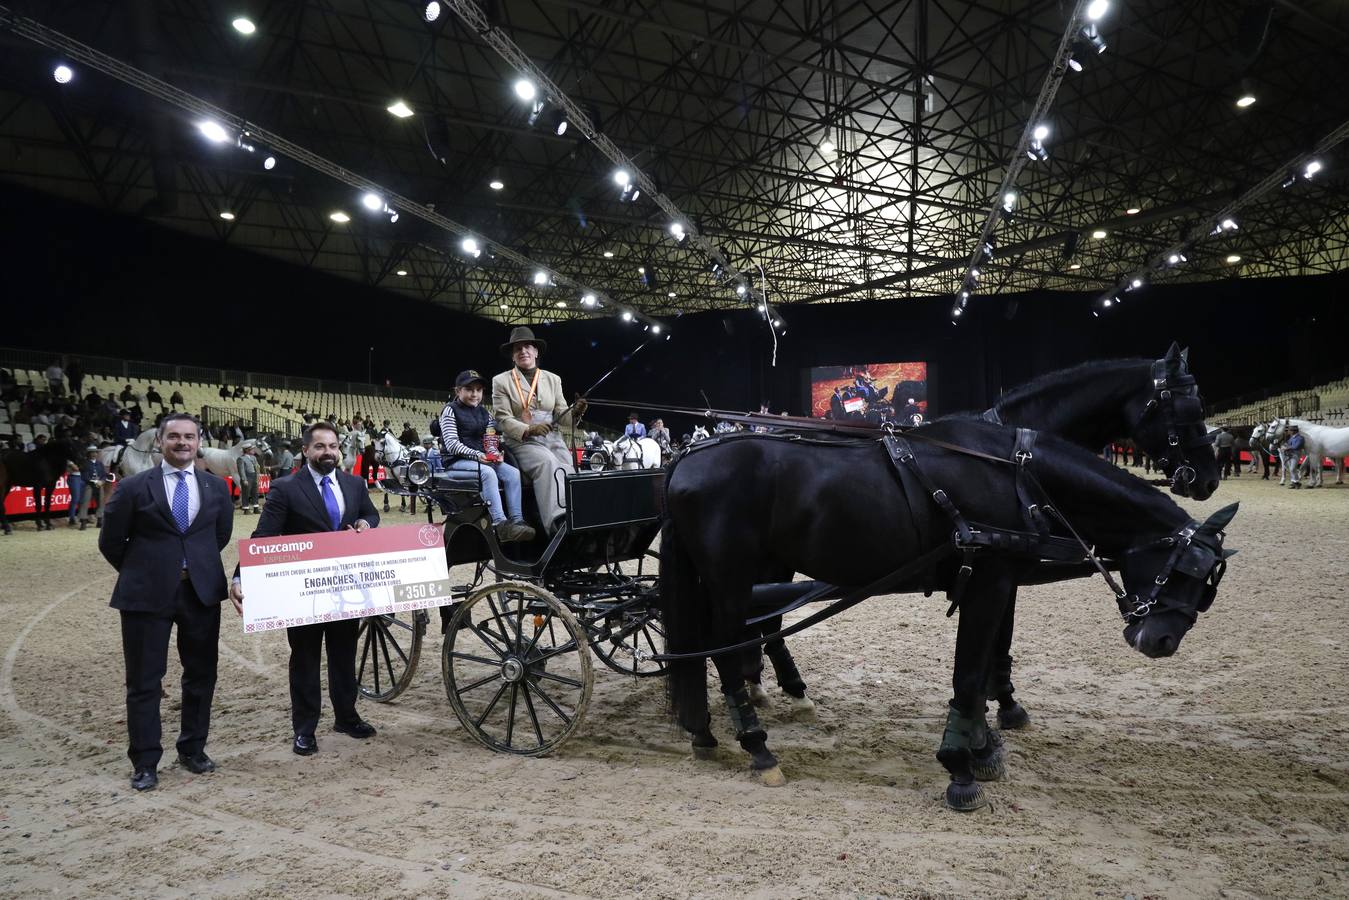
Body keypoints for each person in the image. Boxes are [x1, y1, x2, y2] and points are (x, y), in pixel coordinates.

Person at [98, 412, 234, 791]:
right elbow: (111, 543)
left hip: (200, 592)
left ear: (198, 441)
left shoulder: (216, 488)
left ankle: (192, 749)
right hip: (145, 595)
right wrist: (146, 571)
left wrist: (194, 567)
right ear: (160, 441)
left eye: (189, 437)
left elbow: (217, 537)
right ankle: (145, 761)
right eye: (174, 436)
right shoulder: (133, 487)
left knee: (201, 676)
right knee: (144, 681)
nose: (182, 443)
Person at [229, 421, 380, 756]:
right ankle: (305, 729)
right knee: (305, 659)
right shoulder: (286, 488)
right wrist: (241, 576)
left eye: (333, 446)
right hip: (303, 590)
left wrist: (364, 523)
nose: (328, 452)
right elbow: (264, 536)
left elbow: (371, 515)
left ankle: (347, 717)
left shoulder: (354, 484)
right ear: (306, 450)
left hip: (345, 586)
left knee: (344, 655)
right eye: (320, 447)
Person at [491, 327, 586, 534]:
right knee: (547, 463)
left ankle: (578, 515)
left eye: (527, 346)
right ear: (513, 355)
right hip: (521, 441)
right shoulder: (501, 381)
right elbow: (503, 418)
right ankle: (557, 522)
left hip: (552, 438)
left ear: (536, 351)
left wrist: (576, 412)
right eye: (517, 348)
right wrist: (529, 429)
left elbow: (562, 416)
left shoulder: (553, 379)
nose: (523, 351)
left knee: (568, 466)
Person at [442, 370, 534, 542]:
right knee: (488, 473)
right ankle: (500, 525)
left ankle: (517, 520)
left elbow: (490, 439)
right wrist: (478, 455)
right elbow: (452, 445)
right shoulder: (449, 410)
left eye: (478, 390)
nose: (474, 394)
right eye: (469, 389)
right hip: (455, 463)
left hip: (481, 460)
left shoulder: (485, 413)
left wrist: (494, 454)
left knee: (513, 473)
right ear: (457, 391)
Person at [72, 445, 106, 530]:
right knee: (85, 502)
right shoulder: (85, 463)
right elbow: (84, 476)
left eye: (95, 452)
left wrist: (102, 481)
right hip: (89, 484)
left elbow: (104, 475)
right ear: (88, 454)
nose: (94, 454)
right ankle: (83, 521)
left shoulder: (100, 463)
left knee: (100, 502)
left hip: (99, 484)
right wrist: (94, 481)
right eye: (92, 452)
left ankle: (100, 521)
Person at [236, 442, 260, 514]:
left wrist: (258, 470)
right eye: (252, 449)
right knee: (246, 492)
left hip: (254, 475)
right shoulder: (241, 459)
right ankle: (246, 508)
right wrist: (244, 479)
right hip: (247, 476)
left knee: (255, 492)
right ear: (247, 450)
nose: (253, 450)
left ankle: (256, 507)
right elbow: (241, 470)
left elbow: (256, 466)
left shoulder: (254, 457)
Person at [1282, 424, 1305, 489]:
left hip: (1295, 455)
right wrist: (1284, 445)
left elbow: (1296, 446)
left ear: (1294, 431)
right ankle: (1293, 482)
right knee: (1291, 469)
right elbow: (1288, 444)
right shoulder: (1292, 437)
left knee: (1292, 469)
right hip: (1289, 454)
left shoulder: (1300, 438)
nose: (1289, 431)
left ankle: (1297, 482)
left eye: (1290, 430)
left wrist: (1287, 448)